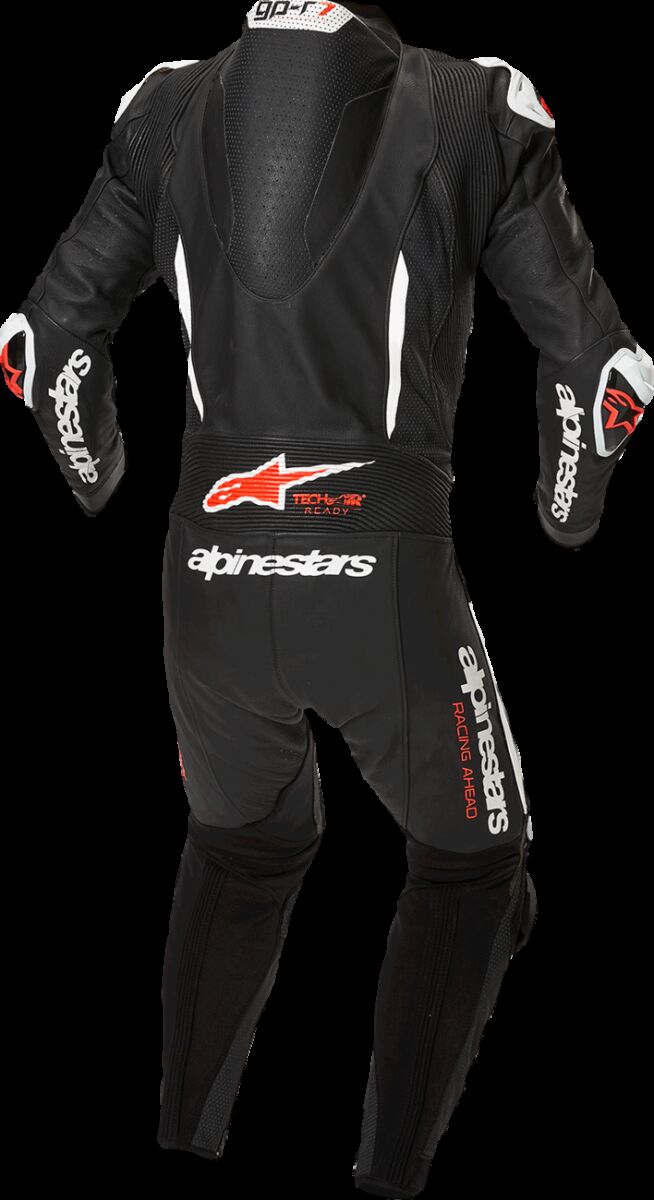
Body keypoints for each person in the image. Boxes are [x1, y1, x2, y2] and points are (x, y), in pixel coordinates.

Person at [1, 4, 650, 1196]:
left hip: (203, 580)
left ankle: (183, 1139)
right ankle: (392, 1177)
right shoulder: (469, 104)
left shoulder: (166, 107)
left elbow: (42, 343)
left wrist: (96, 472)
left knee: (244, 848)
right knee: (475, 862)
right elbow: (603, 369)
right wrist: (568, 504)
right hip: (379, 574)